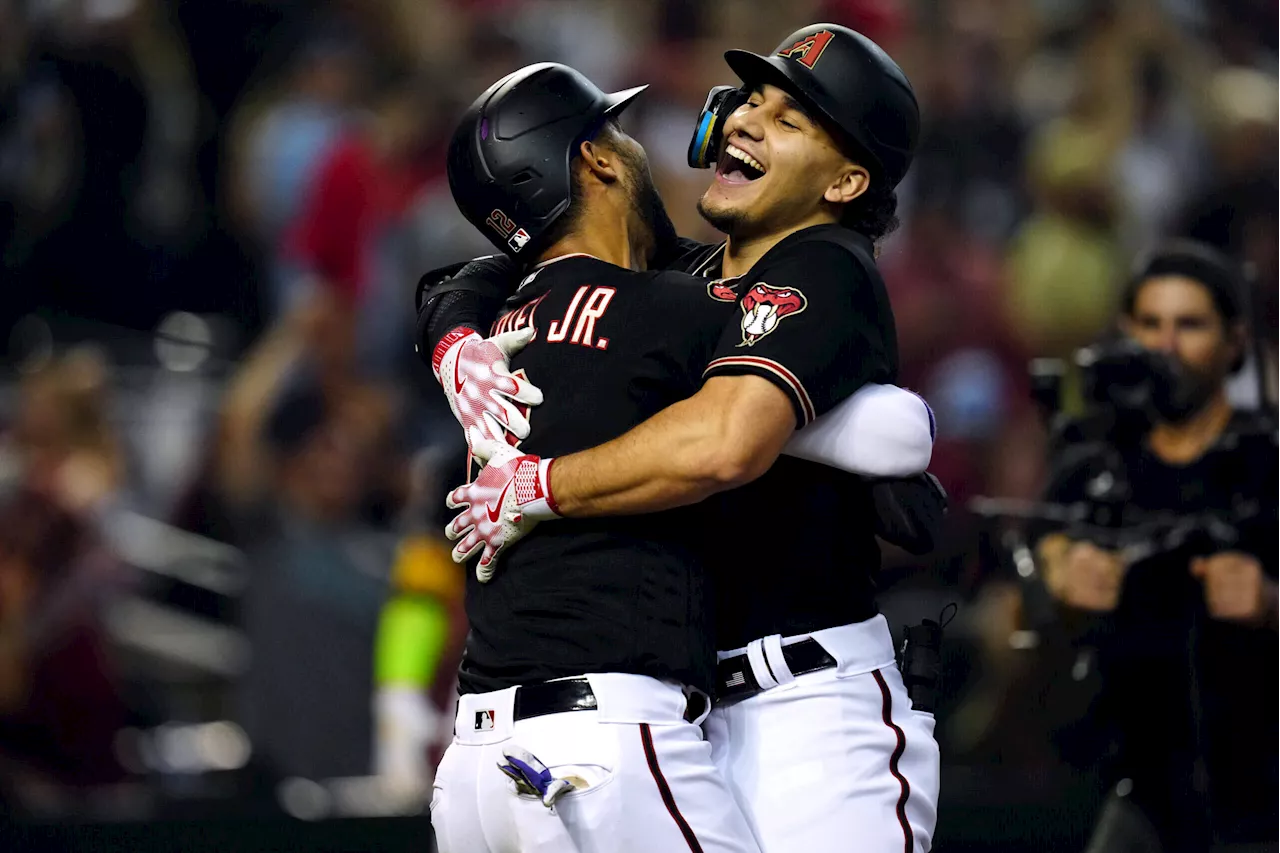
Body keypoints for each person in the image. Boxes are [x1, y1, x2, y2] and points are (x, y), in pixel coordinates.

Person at [423, 24, 941, 853]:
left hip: (807, 706)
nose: (742, 122)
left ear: (846, 179)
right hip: (687, 709)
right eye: (751, 102)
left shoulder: (827, 268)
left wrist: (540, 483)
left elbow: (728, 441)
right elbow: (524, 254)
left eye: (789, 119)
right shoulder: (688, 281)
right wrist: (454, 338)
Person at [1034, 241, 1280, 852]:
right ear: (1125, 333)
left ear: (1236, 342)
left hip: (1263, 790)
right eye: (1151, 324)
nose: (1166, 345)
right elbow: (1015, 590)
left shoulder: (1269, 463)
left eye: (1190, 324)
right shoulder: (1095, 468)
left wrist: (1273, 603)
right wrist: (1055, 576)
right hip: (1132, 785)